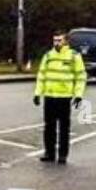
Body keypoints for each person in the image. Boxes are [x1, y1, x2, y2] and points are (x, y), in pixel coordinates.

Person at [33, 31, 86, 164]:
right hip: (50, 96)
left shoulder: (74, 56)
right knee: (49, 127)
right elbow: (41, 76)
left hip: (64, 97)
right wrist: (37, 93)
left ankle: (63, 154)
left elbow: (80, 77)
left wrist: (78, 95)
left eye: (59, 40)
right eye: (54, 40)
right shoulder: (48, 56)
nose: (56, 43)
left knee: (64, 128)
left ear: (66, 42)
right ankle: (49, 153)